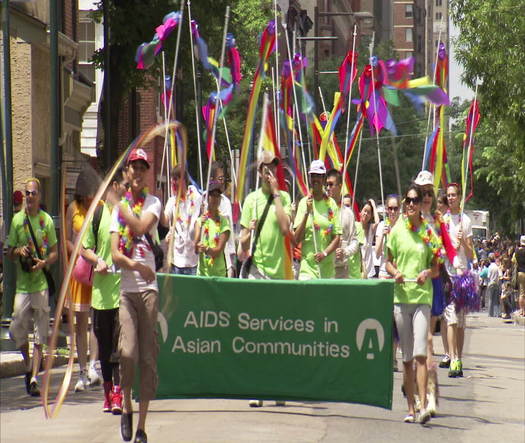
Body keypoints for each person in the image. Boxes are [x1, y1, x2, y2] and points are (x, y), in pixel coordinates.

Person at [110, 148, 162, 443]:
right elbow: (116, 255)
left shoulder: (153, 202)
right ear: (127, 172)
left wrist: (119, 202)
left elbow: (141, 226)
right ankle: (126, 406)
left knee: (147, 359)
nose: (139, 172)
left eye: (143, 167)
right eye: (134, 167)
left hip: (149, 293)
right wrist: (135, 266)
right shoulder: (117, 209)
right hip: (128, 291)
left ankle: (142, 426)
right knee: (127, 354)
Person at [239, 150, 292, 408]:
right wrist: (246, 236)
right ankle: (256, 386)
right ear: (259, 171)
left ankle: (278, 385)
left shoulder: (285, 196)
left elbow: (285, 229)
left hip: (279, 275)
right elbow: (241, 246)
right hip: (256, 272)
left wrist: (277, 195)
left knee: (277, 333)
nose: (270, 171)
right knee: (256, 331)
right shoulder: (251, 200)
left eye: (274, 167)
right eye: (266, 168)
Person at [386, 184, 440, 424]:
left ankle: (423, 403)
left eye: (415, 201)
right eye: (407, 200)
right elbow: (388, 262)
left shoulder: (428, 233)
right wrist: (395, 272)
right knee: (406, 357)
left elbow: (437, 267)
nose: (410, 205)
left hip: (421, 300)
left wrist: (427, 272)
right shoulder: (396, 231)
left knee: (420, 354)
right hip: (401, 299)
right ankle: (411, 407)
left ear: (421, 205)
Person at [81, 167, 128, 414]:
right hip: (101, 295)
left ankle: (119, 393)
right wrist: (96, 260)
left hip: (123, 293)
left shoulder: (128, 212)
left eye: (121, 185)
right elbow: (84, 248)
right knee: (104, 342)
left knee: (118, 346)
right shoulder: (98, 213)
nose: (119, 189)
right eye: (116, 184)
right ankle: (108, 391)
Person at [7, 178, 58, 396]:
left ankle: (35, 377)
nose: (30, 197)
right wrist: (18, 251)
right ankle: (29, 366)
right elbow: (8, 253)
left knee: (40, 333)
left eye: (33, 193)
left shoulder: (46, 221)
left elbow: (55, 252)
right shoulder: (17, 220)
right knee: (17, 326)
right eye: (27, 193)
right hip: (22, 286)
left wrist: (44, 262)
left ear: (39, 196)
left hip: (40, 284)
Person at [66, 168, 102, 391]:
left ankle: (93, 367)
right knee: (80, 323)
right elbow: (68, 240)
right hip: (78, 273)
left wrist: (95, 257)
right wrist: (78, 252)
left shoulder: (99, 208)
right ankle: (81, 372)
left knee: (95, 321)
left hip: (96, 270)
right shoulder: (73, 209)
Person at [443, 183, 475, 378]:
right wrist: (449, 246)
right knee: (451, 320)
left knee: (461, 322)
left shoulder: (466, 221)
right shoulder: (444, 220)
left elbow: (471, 254)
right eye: (448, 195)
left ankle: (459, 357)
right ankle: (453, 357)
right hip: (448, 275)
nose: (451, 198)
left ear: (460, 197)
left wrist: (463, 241)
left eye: (454, 195)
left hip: (463, 276)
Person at [293, 161, 341, 280]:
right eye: (313, 175)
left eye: (318, 176)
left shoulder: (331, 204)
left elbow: (337, 237)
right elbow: (296, 239)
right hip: (307, 270)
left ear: (324, 178)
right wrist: (306, 214)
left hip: (327, 272)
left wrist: (324, 254)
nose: (315, 179)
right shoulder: (304, 202)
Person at [163, 165, 202, 275]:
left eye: (175, 179)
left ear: (183, 180)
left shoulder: (195, 197)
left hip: (193, 260)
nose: (172, 182)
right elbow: (165, 221)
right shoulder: (172, 201)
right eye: (172, 179)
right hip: (176, 261)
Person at [326, 169, 360, 279]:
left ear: (340, 186)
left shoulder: (348, 213)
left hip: (341, 270)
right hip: (324, 268)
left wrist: (345, 251)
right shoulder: (322, 210)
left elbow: (355, 241)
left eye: (331, 184)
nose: (327, 188)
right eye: (326, 184)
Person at [194, 181, 231, 277]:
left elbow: (218, 249)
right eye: (212, 195)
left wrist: (206, 249)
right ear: (207, 198)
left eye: (217, 196)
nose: (215, 199)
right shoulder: (200, 221)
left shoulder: (224, 221)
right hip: (202, 274)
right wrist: (200, 226)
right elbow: (195, 249)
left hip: (219, 274)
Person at [209, 161, 236, 277]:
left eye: (223, 178)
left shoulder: (225, 202)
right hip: (206, 263)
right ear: (211, 179)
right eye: (220, 178)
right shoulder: (202, 200)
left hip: (224, 260)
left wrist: (232, 257)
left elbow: (229, 231)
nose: (222, 181)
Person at [357, 199, 379, 278]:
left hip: (369, 272)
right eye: (365, 211)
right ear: (360, 212)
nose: (366, 214)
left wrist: (373, 205)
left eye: (369, 212)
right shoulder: (355, 226)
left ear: (371, 216)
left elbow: (377, 222)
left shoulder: (371, 228)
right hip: (357, 270)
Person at [514, 236, 525, 316]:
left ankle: (522, 310)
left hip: (520, 272)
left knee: (521, 293)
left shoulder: (517, 252)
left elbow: (514, 261)